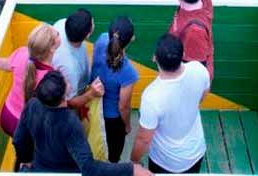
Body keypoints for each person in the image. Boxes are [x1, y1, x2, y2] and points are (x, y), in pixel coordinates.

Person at [13, 70, 152, 176]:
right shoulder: (69, 122)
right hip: (67, 172)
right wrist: (130, 169)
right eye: (65, 81)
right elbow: (88, 167)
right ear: (63, 96)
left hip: (39, 169)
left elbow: (18, 139)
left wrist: (25, 159)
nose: (67, 80)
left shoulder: (32, 104)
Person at [130, 34, 210, 174]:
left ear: (155, 58)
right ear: (183, 54)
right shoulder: (199, 70)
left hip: (165, 162)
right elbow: (202, 95)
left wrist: (134, 162)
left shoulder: (151, 97)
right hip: (196, 153)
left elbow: (144, 139)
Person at [0, 23, 60, 137]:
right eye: (57, 34)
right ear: (52, 48)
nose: (59, 33)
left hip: (7, 116)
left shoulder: (22, 53)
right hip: (27, 126)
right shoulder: (51, 78)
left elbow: (6, 64)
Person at [90, 16, 139, 162]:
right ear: (131, 39)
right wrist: (127, 125)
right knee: (112, 156)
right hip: (112, 119)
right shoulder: (128, 72)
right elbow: (123, 107)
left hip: (93, 106)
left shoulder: (101, 39)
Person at [53, 8, 105, 110]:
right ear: (87, 35)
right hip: (76, 93)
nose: (93, 22)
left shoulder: (61, 24)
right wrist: (91, 94)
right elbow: (70, 102)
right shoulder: (70, 68)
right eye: (92, 23)